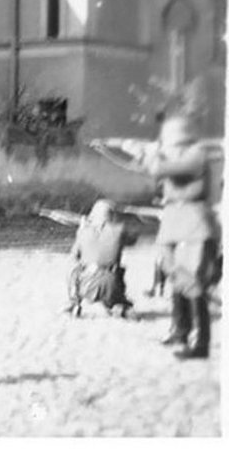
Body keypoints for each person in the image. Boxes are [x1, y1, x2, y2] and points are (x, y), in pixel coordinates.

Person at [93, 114, 218, 360]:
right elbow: (138, 167)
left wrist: (139, 149)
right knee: (173, 273)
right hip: (175, 219)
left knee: (191, 279)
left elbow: (157, 167)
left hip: (193, 219)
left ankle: (200, 341)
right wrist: (110, 151)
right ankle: (180, 330)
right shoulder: (173, 156)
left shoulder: (195, 156)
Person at [55, 200, 137, 318]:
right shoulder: (120, 229)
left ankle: (73, 303)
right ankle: (119, 306)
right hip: (111, 284)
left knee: (73, 268)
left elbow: (74, 256)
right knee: (118, 276)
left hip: (86, 285)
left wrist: (81, 230)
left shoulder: (84, 232)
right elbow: (132, 240)